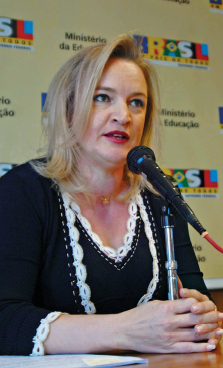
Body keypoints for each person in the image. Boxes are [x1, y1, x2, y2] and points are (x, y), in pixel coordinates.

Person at [0, 34, 222, 356]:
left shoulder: (160, 195)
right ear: (69, 107)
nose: (123, 115)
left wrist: (199, 314)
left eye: (136, 102)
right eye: (103, 98)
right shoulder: (23, 192)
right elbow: (5, 319)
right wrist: (127, 331)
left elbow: (196, 297)